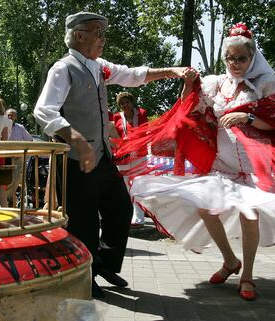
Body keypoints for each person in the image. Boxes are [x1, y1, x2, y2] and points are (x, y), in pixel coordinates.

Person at [117, 23, 275, 301]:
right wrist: (188, 84)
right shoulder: (216, 84)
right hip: (222, 165)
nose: (235, 63)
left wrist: (248, 118)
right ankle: (231, 261)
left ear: (252, 58)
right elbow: (189, 108)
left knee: (249, 216)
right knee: (205, 208)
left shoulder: (265, 85)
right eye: (231, 58)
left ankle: (247, 276)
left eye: (241, 58)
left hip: (254, 166)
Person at [34, 11, 189, 299]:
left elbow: (132, 75)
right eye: (98, 32)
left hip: (102, 156)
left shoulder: (98, 66)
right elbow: (44, 111)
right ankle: (84, 277)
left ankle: (101, 262)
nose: (103, 38)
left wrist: (171, 71)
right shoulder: (63, 69)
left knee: (120, 209)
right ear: (80, 36)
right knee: (83, 222)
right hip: (76, 160)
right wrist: (75, 138)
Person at [113, 92, 148, 228]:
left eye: (127, 102)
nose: (124, 105)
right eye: (121, 103)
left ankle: (139, 217)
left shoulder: (142, 113)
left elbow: (144, 131)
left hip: (139, 153)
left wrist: (133, 139)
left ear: (132, 102)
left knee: (138, 184)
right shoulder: (116, 117)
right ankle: (129, 214)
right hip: (123, 155)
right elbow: (116, 135)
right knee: (126, 186)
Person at [6, 108, 33, 206]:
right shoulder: (3, 126)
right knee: (6, 180)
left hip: (18, 157)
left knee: (17, 179)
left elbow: (29, 140)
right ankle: (7, 199)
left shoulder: (20, 128)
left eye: (12, 115)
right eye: (8, 115)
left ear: (15, 117)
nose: (10, 117)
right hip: (5, 158)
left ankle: (9, 199)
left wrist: (22, 149)